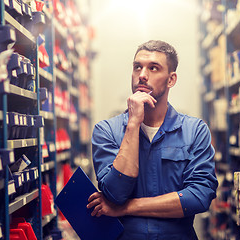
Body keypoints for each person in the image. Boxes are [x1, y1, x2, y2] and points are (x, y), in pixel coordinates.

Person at [87, 40, 218, 239]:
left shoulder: (194, 130)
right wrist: (133, 125)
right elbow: (115, 193)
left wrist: (126, 208)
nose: (142, 74)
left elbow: (200, 197)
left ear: (171, 79)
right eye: (137, 67)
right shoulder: (106, 131)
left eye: (153, 68)